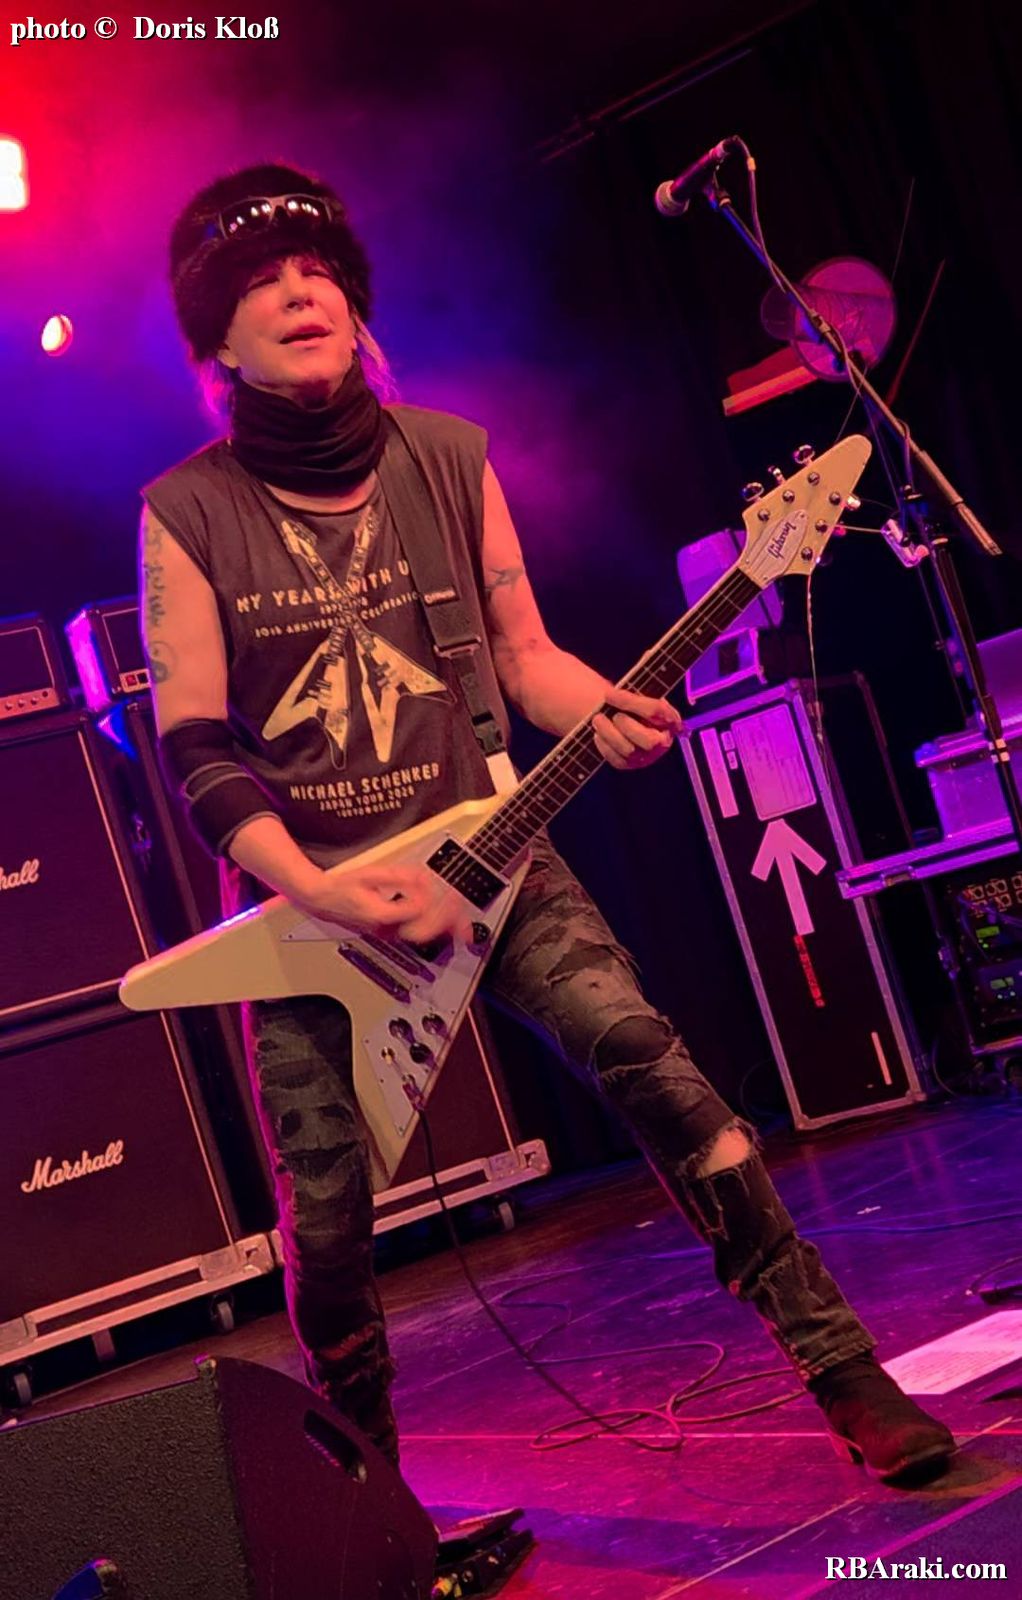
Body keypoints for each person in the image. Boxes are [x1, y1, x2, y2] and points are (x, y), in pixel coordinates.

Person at [141, 162, 954, 1486]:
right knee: (327, 1225)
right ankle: (370, 1502)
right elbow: (193, 744)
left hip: (496, 851)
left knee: (656, 1069)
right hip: (309, 908)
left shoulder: (447, 459)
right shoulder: (185, 513)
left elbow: (525, 660)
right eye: (260, 284)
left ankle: (847, 1373)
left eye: (316, 270)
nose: (298, 293)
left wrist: (607, 707)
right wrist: (322, 890)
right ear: (216, 345)